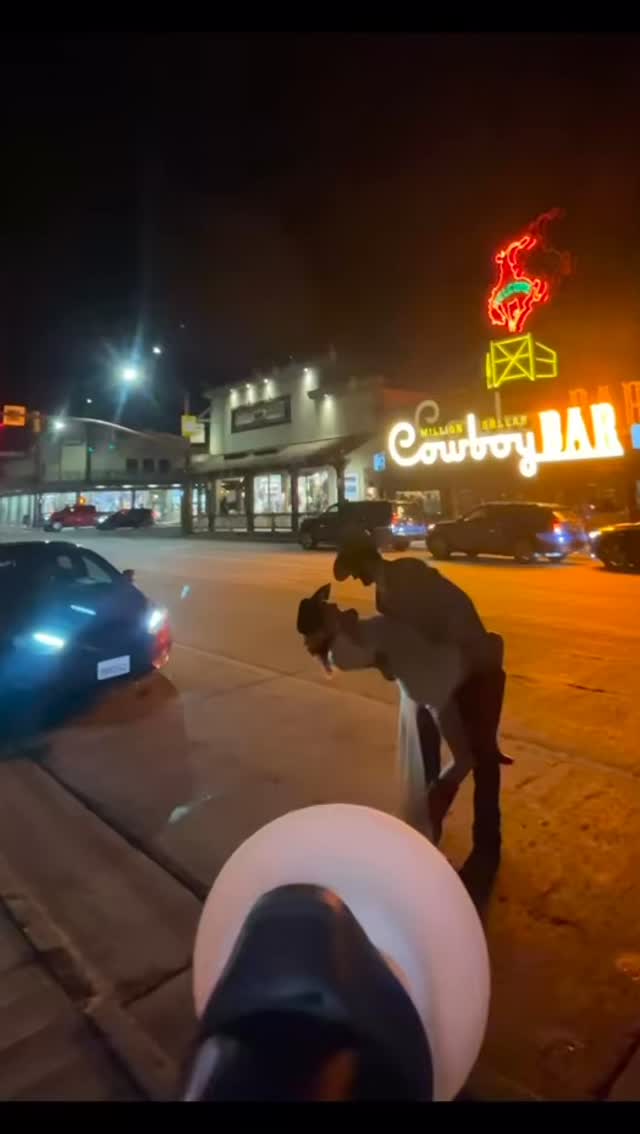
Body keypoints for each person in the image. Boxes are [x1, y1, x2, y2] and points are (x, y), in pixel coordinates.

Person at [333, 535, 511, 856]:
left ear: (365, 560)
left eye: (355, 571)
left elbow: (438, 625)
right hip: (437, 673)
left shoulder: (407, 576)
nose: (357, 580)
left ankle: (484, 841)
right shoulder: (384, 595)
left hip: (467, 660)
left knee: (479, 755)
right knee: (432, 745)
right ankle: (429, 821)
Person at [296, 583, 475, 839]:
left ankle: (429, 811)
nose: (335, 605)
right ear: (324, 626)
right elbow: (387, 667)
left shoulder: (347, 635)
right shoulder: (342, 651)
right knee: (464, 757)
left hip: (428, 678)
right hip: (430, 682)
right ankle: (429, 810)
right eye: (327, 608)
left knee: (445, 756)